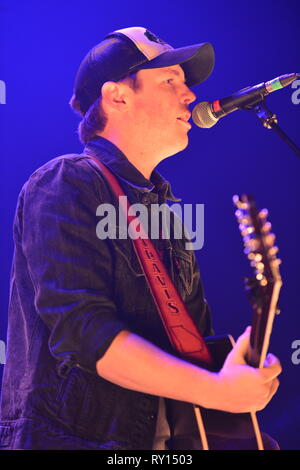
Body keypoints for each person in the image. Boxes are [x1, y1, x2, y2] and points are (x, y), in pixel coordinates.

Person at [0, 26, 281, 450]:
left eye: (186, 85)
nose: (190, 96)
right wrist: (217, 391)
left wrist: (234, 365)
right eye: (171, 81)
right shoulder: (65, 182)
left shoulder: (165, 212)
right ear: (117, 96)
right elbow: (85, 333)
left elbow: (188, 349)